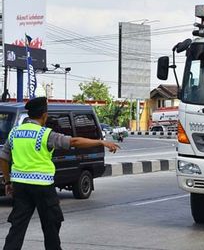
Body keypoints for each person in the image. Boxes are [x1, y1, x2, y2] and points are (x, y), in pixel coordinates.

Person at [0, 97, 120, 250]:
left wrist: (8, 181)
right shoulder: (45, 134)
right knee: (51, 225)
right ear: (44, 115)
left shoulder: (14, 133)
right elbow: (74, 142)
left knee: (17, 227)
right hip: (42, 187)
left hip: (20, 187)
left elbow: (3, 158)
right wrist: (101, 142)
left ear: (29, 115)